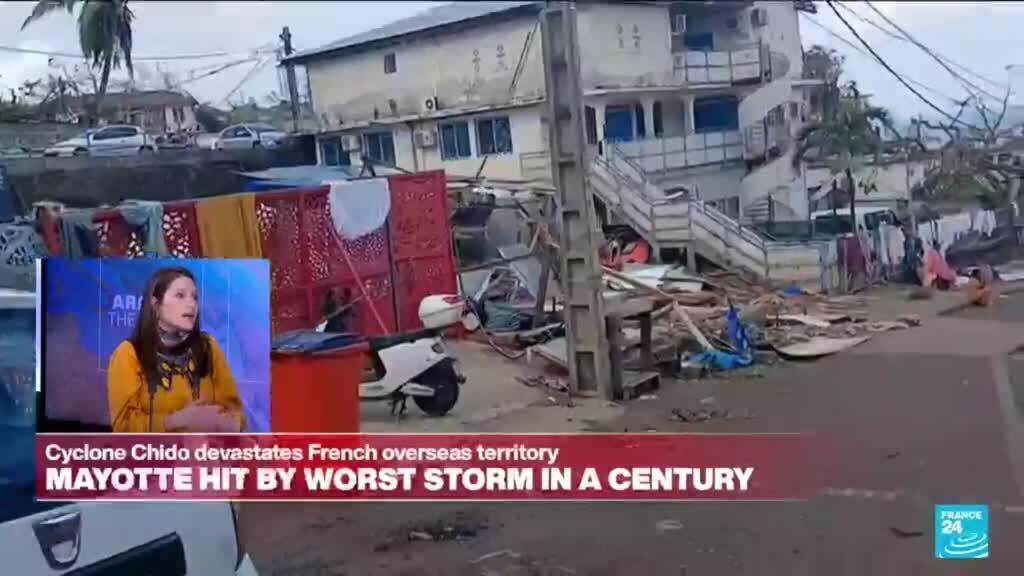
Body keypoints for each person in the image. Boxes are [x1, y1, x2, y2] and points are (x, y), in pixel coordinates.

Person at [107, 266, 246, 433]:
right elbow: (123, 427)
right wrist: (179, 420)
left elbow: (235, 412)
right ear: (156, 304)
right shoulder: (129, 353)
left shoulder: (208, 346)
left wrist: (227, 424)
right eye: (180, 295)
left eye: (194, 297)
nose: (191, 304)